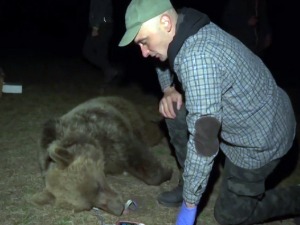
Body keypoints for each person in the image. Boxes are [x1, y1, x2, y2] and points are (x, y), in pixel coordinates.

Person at [118, 0, 300, 224]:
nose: (144, 53)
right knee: (174, 108)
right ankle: (189, 180)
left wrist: (189, 206)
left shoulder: (198, 59)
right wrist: (168, 89)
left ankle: (295, 198)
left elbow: (204, 142)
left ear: (165, 22)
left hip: (260, 137)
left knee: (229, 216)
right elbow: (163, 58)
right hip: (245, 113)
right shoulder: (184, 24)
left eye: (144, 42)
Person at [82, 0, 121, 85]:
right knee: (101, 53)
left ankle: (109, 70)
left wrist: (95, 27)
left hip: (102, 26)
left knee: (87, 50)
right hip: (106, 25)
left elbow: (101, 9)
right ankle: (108, 76)